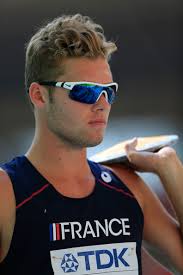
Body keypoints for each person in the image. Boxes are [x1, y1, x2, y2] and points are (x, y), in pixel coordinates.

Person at [0, 14, 183, 275]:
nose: (102, 104)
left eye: (108, 91)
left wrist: (170, 167)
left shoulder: (127, 188)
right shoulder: (7, 194)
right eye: (84, 91)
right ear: (39, 95)